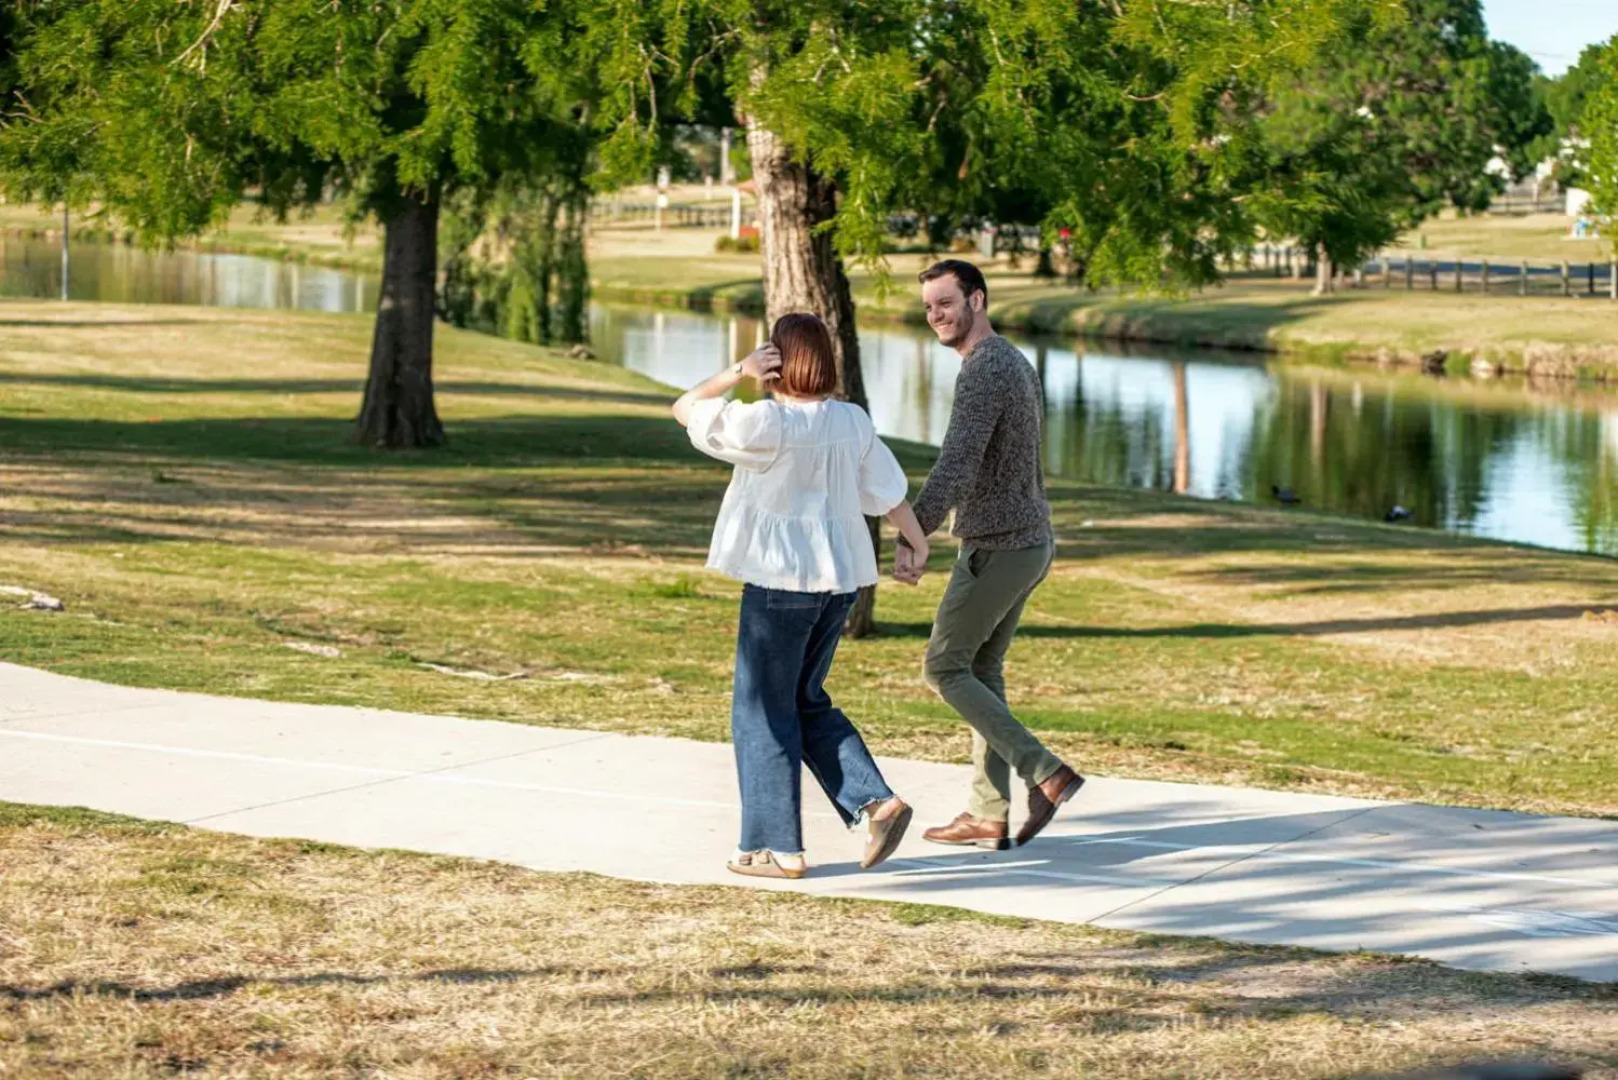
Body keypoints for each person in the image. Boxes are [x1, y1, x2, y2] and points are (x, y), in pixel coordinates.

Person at [674, 312, 931, 880]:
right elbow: (887, 491)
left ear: (778, 360)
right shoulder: (851, 420)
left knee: (761, 710)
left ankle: (774, 849)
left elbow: (687, 408)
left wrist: (738, 372)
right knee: (803, 698)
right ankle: (874, 802)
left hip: (779, 585)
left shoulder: (766, 422)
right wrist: (916, 543)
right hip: (836, 587)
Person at [894, 259, 1084, 850]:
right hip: (1027, 542)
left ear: (977, 299)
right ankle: (987, 812)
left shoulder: (984, 370)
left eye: (945, 303)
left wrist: (912, 534)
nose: (936, 316)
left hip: (1000, 547)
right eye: (928, 307)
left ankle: (1045, 771)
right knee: (980, 670)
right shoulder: (1012, 361)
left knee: (943, 667)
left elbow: (956, 462)